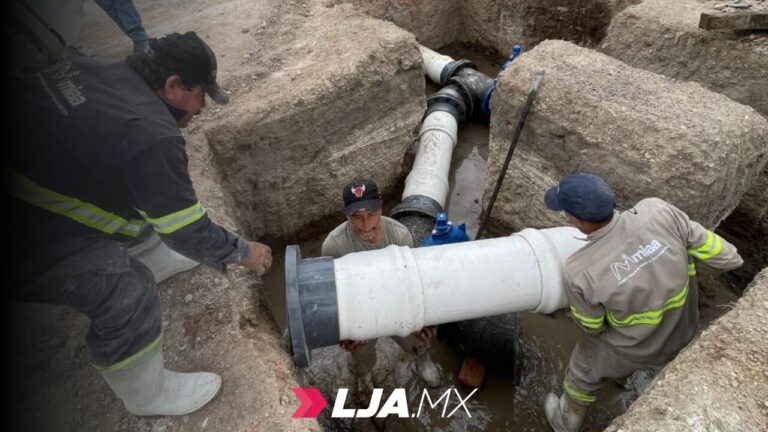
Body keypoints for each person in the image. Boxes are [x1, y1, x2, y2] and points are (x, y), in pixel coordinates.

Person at [5, 31, 270, 416]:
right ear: (174, 86)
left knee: (143, 194)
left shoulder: (95, 69)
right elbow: (186, 229)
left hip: (35, 176)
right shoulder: (150, 134)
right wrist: (243, 251)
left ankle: (153, 255)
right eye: (201, 95)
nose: (202, 108)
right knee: (125, 287)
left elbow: (139, 188)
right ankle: (148, 395)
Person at [541, 172, 743, 432]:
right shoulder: (658, 211)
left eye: (566, 214)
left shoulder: (579, 270)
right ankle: (626, 378)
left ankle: (565, 422)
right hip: (682, 333)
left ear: (577, 221)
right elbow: (727, 257)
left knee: (583, 368)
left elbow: (592, 327)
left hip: (633, 347)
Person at [321, 177, 441, 389]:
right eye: (357, 217)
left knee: (417, 340)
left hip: (396, 304)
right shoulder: (334, 245)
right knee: (362, 357)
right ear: (346, 215)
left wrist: (424, 318)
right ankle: (363, 376)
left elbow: (412, 282)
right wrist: (342, 334)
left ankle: (423, 360)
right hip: (360, 312)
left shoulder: (400, 236)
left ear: (381, 207)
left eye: (371, 214)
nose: (366, 224)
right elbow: (331, 295)